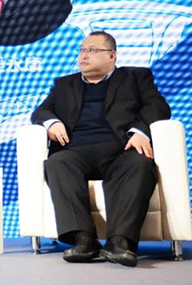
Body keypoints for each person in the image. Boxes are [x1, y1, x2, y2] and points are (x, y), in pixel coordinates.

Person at [31, 31, 171, 267]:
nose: (84, 56)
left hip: (121, 150)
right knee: (57, 162)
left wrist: (140, 132)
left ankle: (119, 242)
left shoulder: (135, 77)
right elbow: (41, 111)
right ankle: (84, 240)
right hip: (75, 151)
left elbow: (158, 106)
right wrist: (51, 122)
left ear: (111, 56)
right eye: (82, 50)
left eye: (92, 50)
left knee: (140, 164)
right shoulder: (65, 84)